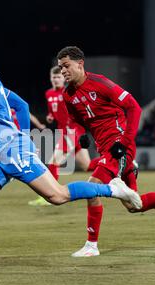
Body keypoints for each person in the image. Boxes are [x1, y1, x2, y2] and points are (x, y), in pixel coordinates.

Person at [0, 41, 142, 271]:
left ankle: (114, 190)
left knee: (58, 196)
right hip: (0, 154)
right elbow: (22, 105)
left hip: (10, 151)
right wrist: (25, 138)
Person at [56, 46, 155, 257]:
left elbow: (133, 107)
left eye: (66, 66)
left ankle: (91, 246)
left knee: (90, 188)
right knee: (134, 206)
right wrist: (82, 133)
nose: (62, 71)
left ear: (80, 64)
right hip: (105, 150)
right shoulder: (68, 95)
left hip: (119, 146)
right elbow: (75, 121)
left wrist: (126, 142)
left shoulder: (100, 83)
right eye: (60, 67)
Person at [28, 66, 96, 206]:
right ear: (50, 78)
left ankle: (48, 196)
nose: (56, 79)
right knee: (87, 166)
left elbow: (78, 111)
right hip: (63, 132)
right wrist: (50, 117)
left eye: (59, 77)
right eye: (54, 77)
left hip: (72, 132)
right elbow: (53, 112)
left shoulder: (69, 92)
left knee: (54, 162)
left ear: (63, 79)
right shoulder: (49, 93)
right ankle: (118, 162)